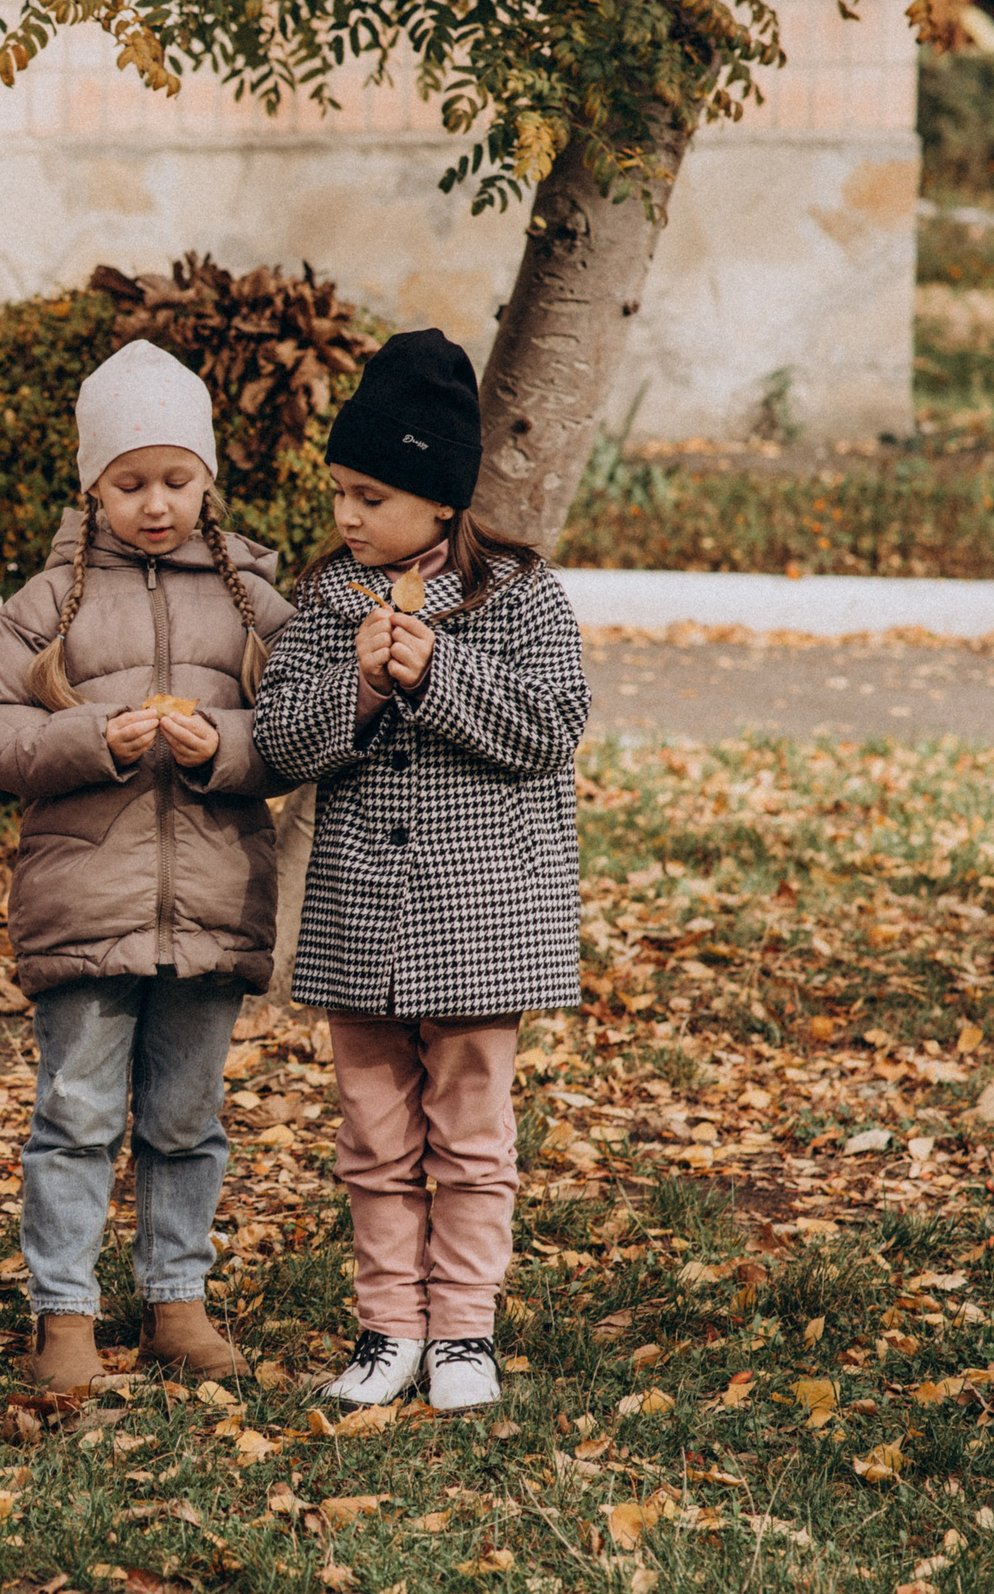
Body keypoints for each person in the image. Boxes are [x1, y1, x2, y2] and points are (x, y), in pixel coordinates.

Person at [251, 329, 589, 1413]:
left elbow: (550, 724)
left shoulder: (523, 599)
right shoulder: (325, 601)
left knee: (471, 1134)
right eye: (340, 492)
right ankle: (388, 1324)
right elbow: (275, 745)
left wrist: (437, 667)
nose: (347, 516)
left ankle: (464, 1334)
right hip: (359, 917)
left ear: (441, 498)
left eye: (372, 495)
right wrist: (351, 693)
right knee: (375, 1134)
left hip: (481, 921)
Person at [0, 339, 296, 1395]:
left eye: (176, 480)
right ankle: (65, 1314)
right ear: (91, 484)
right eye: (130, 483)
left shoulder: (250, 600)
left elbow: (300, 727)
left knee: (187, 1118)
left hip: (211, 897)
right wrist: (92, 736)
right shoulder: (47, 602)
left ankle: (174, 1300)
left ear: (207, 478)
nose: (156, 504)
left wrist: (228, 748)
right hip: (86, 902)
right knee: (74, 1113)